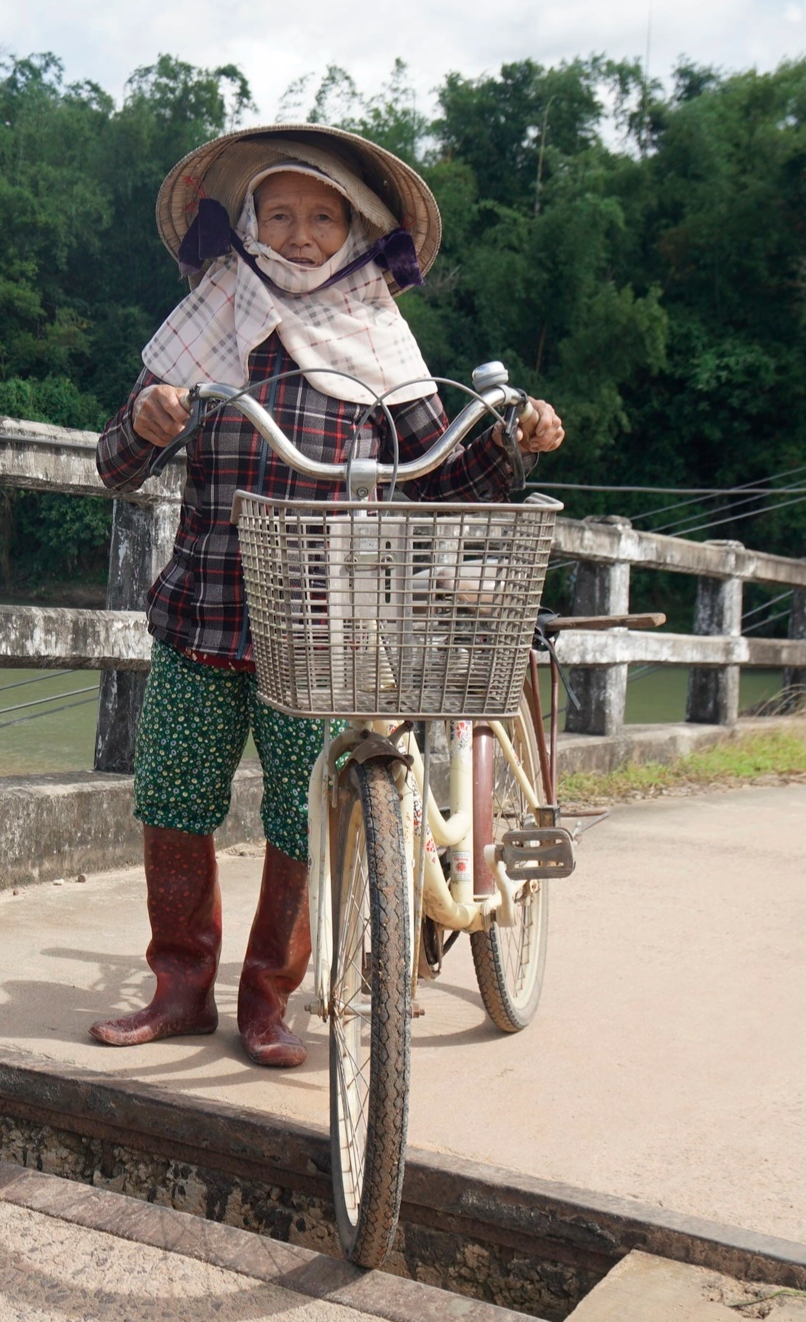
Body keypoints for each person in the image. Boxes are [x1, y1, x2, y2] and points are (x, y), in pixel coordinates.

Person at [91, 125, 566, 1067]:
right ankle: (179, 988)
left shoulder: (378, 337)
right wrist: (145, 422)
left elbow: (445, 479)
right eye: (279, 214)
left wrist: (515, 443)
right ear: (249, 224)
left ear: (356, 231)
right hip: (204, 609)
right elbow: (114, 462)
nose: (299, 234)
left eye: (322, 216)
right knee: (173, 798)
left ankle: (269, 999)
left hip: (323, 627)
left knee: (303, 816)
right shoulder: (208, 319)